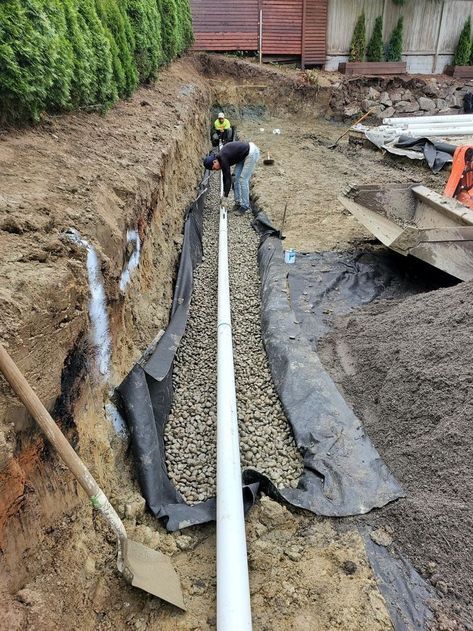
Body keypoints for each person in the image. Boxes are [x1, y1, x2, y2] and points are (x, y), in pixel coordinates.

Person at [203, 140, 260, 214]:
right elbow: (225, 177)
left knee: (243, 179)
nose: (216, 170)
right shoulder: (220, 159)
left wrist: (225, 197)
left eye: (214, 168)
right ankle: (238, 203)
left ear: (214, 161)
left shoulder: (223, 158)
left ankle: (245, 206)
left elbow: (228, 179)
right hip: (242, 155)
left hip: (251, 152)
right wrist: (224, 194)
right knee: (235, 178)